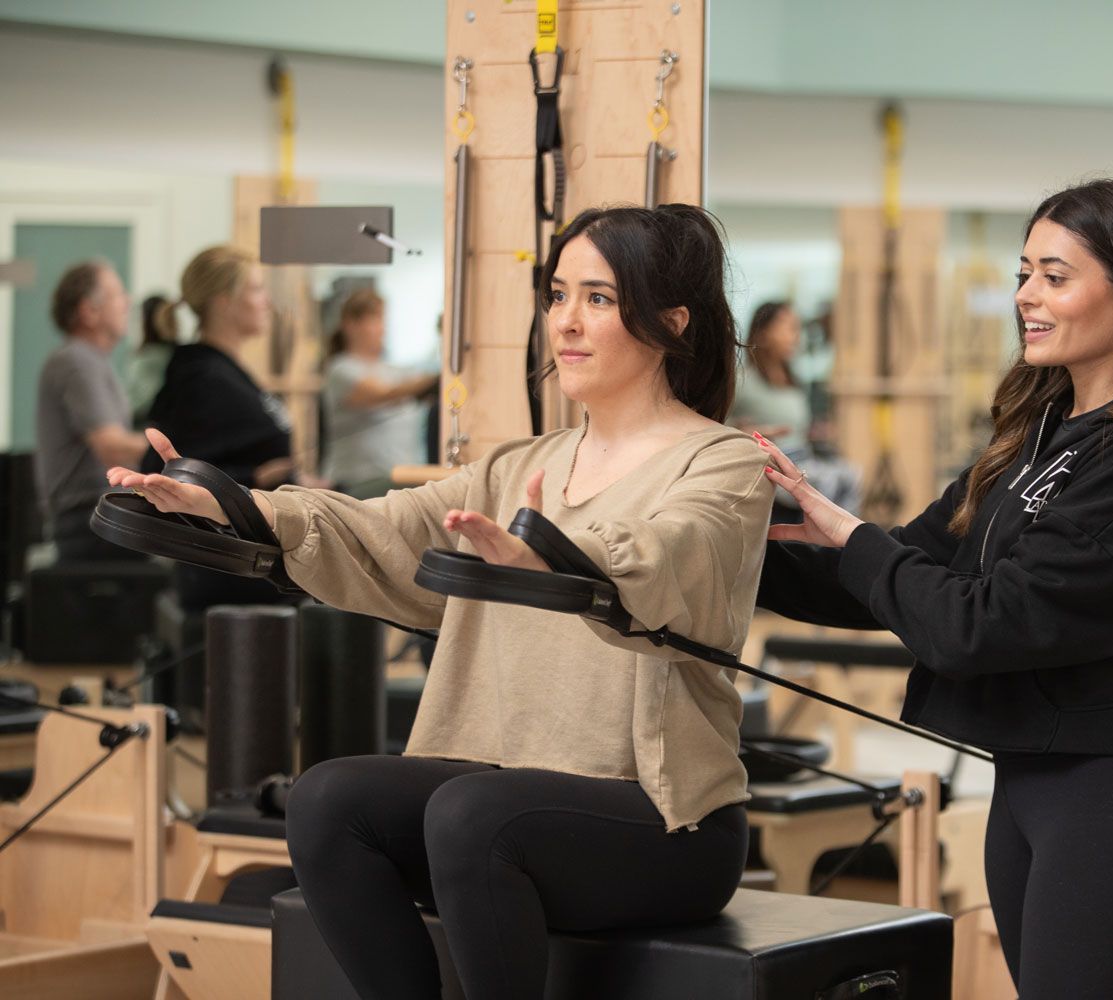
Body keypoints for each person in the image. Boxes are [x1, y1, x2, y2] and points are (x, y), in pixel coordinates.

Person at [109, 204, 773, 1000]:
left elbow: (674, 556)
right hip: (502, 798)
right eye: (558, 295)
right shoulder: (521, 465)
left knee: (471, 812)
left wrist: (555, 556)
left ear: (669, 320)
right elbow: (387, 531)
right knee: (327, 800)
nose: (565, 321)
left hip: (667, 823)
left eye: (598, 299)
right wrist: (239, 508)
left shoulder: (725, 463)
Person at [753, 178, 1113, 997]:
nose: (1026, 297)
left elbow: (980, 624)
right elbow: (911, 564)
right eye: (1023, 272)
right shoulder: (1038, 435)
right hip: (1028, 777)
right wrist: (733, 555)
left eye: (1055, 276)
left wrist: (854, 539)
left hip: (1104, 791)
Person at [141, 245, 313, 609]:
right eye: (255, 289)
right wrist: (255, 475)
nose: (266, 302)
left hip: (258, 555)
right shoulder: (203, 378)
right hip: (230, 569)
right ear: (224, 303)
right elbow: (160, 472)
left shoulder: (224, 371)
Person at [33, 259, 148, 562]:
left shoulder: (90, 361)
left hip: (94, 518)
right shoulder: (77, 362)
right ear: (89, 311)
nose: (128, 302)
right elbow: (113, 449)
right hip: (88, 523)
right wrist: (186, 447)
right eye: (117, 295)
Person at [730, 300, 860, 514]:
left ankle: (840, 542)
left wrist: (817, 431)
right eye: (789, 328)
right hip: (773, 468)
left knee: (851, 476)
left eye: (797, 329)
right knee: (833, 485)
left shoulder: (793, 380)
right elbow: (714, 425)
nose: (796, 336)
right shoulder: (742, 381)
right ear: (763, 333)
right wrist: (742, 432)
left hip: (803, 461)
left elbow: (795, 427)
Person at [320, 288, 438, 497]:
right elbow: (385, 393)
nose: (382, 329)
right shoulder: (341, 369)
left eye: (383, 320)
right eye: (374, 320)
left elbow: (420, 377)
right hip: (356, 485)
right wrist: (437, 377)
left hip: (394, 481)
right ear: (350, 324)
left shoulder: (391, 369)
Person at [124, 293, 176, 424]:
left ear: (144, 322)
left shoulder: (148, 359)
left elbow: (139, 405)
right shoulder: (183, 355)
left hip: (144, 431)